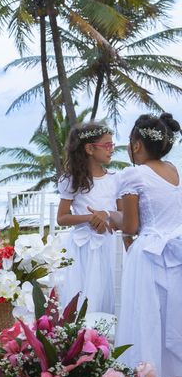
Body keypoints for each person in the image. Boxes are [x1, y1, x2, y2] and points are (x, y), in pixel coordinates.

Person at [112, 113, 182, 377]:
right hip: (177, 254)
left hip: (150, 259)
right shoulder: (174, 171)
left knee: (147, 330)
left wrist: (110, 217)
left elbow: (130, 226)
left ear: (137, 145)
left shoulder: (133, 175)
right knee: (176, 324)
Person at [55, 123, 121, 313]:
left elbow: (123, 215)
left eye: (112, 145)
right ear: (90, 148)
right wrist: (90, 218)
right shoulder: (71, 180)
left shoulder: (116, 179)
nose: (112, 150)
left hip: (109, 245)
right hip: (83, 249)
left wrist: (106, 217)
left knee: (109, 295)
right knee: (84, 297)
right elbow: (62, 217)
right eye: (107, 146)